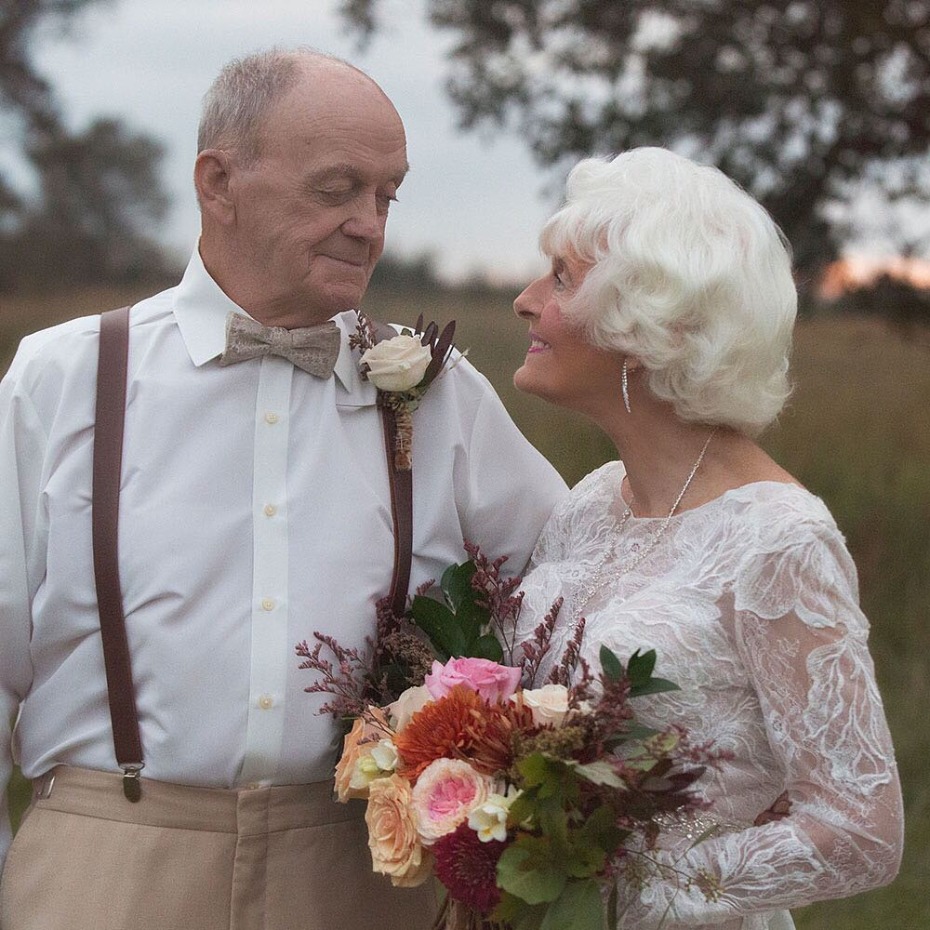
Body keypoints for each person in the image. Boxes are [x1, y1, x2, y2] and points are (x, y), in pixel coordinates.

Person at [0, 48, 567, 930]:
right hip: (106, 865)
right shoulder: (65, 376)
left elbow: (572, 573)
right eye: (336, 188)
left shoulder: (437, 391)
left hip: (364, 871)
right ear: (218, 181)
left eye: (387, 195)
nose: (368, 225)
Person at [509, 148, 904, 929]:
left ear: (651, 317)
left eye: (561, 278)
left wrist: (630, 883)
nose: (525, 302)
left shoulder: (780, 542)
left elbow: (861, 830)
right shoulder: (590, 503)